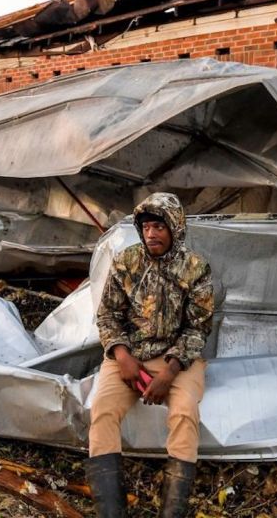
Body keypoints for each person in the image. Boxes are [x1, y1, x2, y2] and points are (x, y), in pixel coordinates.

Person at [85, 193, 214, 518]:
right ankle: (112, 512)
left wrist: (169, 374)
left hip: (178, 361)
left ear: (175, 227)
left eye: (159, 226)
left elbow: (198, 328)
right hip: (128, 356)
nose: (151, 234)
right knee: (101, 411)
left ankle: (172, 512)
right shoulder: (126, 261)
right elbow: (107, 316)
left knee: (184, 414)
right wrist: (122, 356)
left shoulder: (196, 269)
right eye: (146, 227)